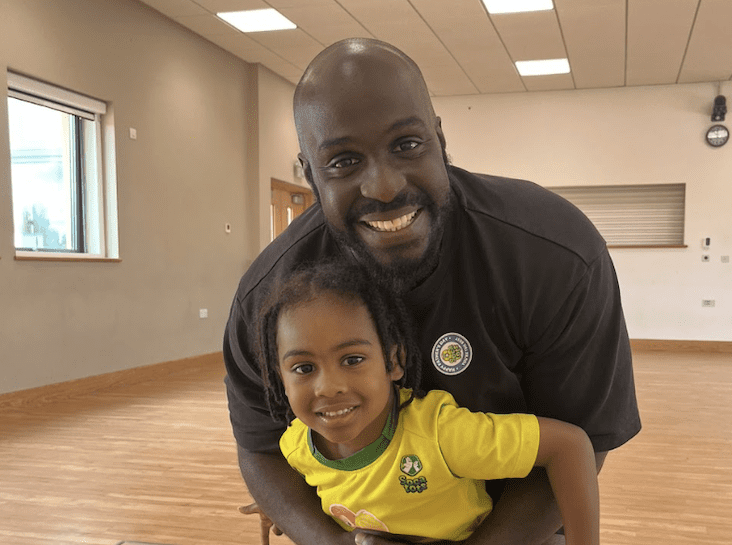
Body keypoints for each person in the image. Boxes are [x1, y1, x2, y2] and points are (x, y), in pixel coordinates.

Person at [224, 37, 641, 545]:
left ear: (439, 140)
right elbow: (263, 448)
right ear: (310, 175)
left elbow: (579, 442)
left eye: (406, 145)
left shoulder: (554, 256)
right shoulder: (270, 297)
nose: (383, 187)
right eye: (343, 162)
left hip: (514, 525)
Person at [255, 259, 600, 544]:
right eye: (303, 367)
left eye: (352, 360)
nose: (328, 387)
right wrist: (274, 507)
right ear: (280, 378)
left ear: (394, 361)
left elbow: (569, 446)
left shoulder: (439, 433)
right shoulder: (297, 445)